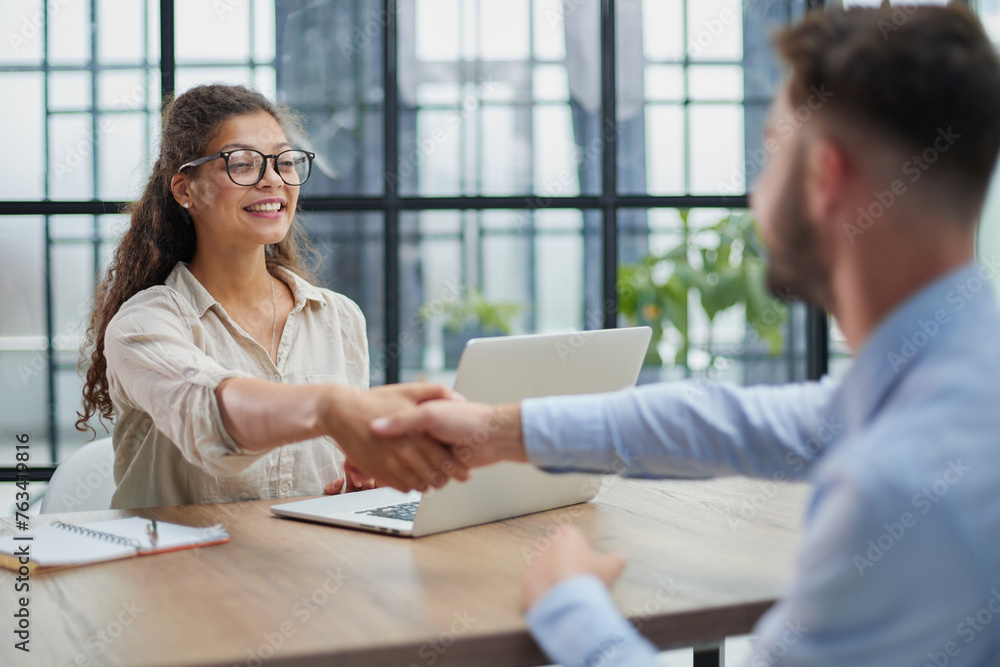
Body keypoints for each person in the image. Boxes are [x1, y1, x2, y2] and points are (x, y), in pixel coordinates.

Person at [369, 5, 1000, 665]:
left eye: (769, 155)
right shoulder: (953, 372)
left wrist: (570, 604)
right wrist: (498, 429)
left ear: (823, 179)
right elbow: (742, 421)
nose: (757, 192)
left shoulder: (902, 491)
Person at [77, 84, 467, 510]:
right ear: (185, 190)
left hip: (303, 569)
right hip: (177, 572)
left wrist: (356, 494)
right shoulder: (144, 325)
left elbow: (342, 471)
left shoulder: (339, 317)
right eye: (242, 164)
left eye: (285, 162)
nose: (273, 180)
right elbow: (205, 416)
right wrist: (329, 407)